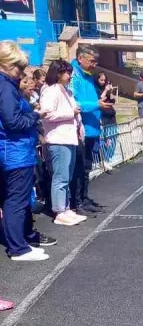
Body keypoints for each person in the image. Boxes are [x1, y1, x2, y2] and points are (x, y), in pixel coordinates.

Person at [0, 41, 56, 261]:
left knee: (13, 199)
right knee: (16, 200)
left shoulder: (7, 85)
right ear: (5, 64)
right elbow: (12, 122)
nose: (20, 73)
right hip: (15, 151)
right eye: (17, 68)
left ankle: (20, 242)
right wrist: (35, 115)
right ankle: (18, 248)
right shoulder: (5, 86)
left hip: (13, 150)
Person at [40, 60, 87, 226]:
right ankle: (59, 210)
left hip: (69, 138)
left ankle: (66, 208)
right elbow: (46, 114)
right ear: (58, 73)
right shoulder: (50, 91)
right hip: (58, 139)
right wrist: (70, 113)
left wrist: (78, 122)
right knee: (60, 177)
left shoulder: (67, 91)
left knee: (67, 175)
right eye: (67, 73)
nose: (70, 76)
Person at [69, 44, 113, 215]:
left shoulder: (87, 75)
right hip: (82, 129)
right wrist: (96, 104)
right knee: (80, 167)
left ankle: (84, 198)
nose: (95, 65)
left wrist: (100, 103)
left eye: (96, 61)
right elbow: (75, 103)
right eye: (92, 61)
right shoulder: (74, 76)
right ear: (81, 59)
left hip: (92, 128)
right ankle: (77, 201)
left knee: (87, 167)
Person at [95, 72, 118, 167]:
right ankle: (104, 159)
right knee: (105, 139)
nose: (103, 82)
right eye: (101, 80)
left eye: (105, 80)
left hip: (111, 116)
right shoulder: (95, 89)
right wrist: (105, 90)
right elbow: (99, 100)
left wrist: (111, 91)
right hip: (103, 116)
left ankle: (109, 156)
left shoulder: (107, 88)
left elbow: (113, 100)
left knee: (113, 137)